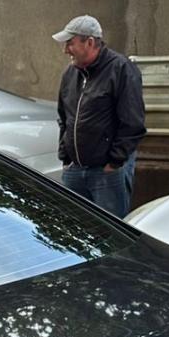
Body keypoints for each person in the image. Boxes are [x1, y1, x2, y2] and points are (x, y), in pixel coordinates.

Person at [52, 15, 145, 217]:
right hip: (75, 171)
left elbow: (132, 123)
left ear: (90, 42)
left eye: (70, 43)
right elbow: (64, 117)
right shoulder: (70, 74)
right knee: (74, 228)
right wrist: (65, 157)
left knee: (109, 231)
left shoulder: (121, 69)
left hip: (106, 174)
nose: (65, 50)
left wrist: (114, 162)